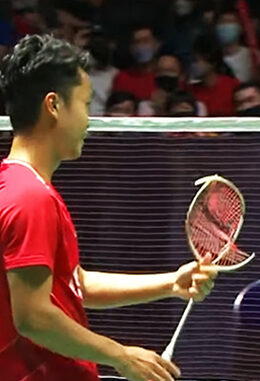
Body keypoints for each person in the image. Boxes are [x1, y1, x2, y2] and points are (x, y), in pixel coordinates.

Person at [0, 34, 217, 381]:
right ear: (54, 106)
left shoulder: (20, 186)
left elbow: (76, 285)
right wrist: (121, 355)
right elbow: (34, 317)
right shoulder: (29, 198)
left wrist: (171, 283)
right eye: (85, 104)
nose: (89, 119)